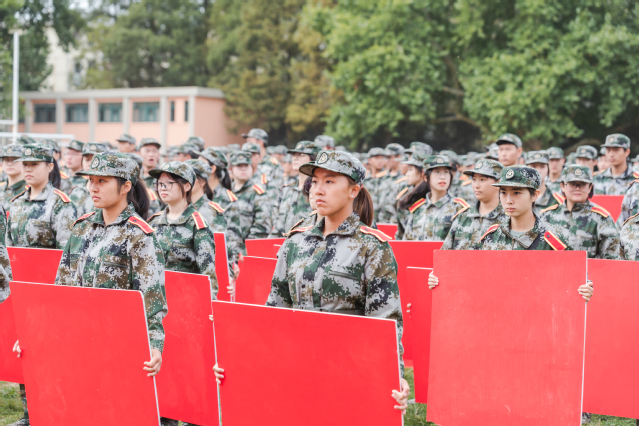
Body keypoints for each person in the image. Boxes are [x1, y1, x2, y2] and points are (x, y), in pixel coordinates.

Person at [213, 149, 410, 415]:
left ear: (354, 190)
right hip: (295, 366)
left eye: (329, 181)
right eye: (315, 181)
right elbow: (275, 310)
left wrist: (394, 374)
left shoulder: (372, 246)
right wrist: (240, 360)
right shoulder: (295, 241)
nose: (318, 189)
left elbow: (386, 321)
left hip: (347, 371)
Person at [46, 151, 170, 425]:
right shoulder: (81, 228)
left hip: (118, 344)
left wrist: (155, 346)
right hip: (78, 338)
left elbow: (151, 298)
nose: (93, 187)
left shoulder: (139, 235)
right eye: (91, 180)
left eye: (102, 181)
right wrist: (43, 330)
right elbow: (61, 287)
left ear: (125, 186)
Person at [147, 162, 218, 300]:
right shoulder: (153, 222)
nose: (162, 188)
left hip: (185, 300)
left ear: (186, 186)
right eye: (160, 184)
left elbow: (208, 275)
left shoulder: (197, 225)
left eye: (169, 183)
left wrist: (209, 304)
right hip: (156, 302)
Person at [541, 165, 622, 259]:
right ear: (563, 186)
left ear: (590, 187)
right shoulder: (547, 216)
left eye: (583, 184)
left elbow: (611, 259)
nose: (577, 188)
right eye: (572, 184)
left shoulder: (601, 218)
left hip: (590, 268)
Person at [7, 144, 77, 249]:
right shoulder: (17, 202)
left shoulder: (60, 204)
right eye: (24, 164)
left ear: (50, 167)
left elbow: (65, 251)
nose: (28, 169)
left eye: (34, 164)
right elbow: (8, 246)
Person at [442, 159, 507, 250]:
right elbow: (445, 254)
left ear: (498, 183)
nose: (476, 185)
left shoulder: (508, 219)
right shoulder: (463, 217)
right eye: (474, 179)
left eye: (482, 180)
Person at [405, 155, 468, 241]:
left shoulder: (459, 209)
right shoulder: (417, 210)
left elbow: (464, 244)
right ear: (426, 177)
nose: (442, 177)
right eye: (437, 172)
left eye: (446, 172)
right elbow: (407, 242)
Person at [269, 141, 320, 238]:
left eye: (301, 155)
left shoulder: (318, 191)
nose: (295, 158)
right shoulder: (286, 190)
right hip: (282, 244)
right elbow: (276, 226)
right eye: (293, 155)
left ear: (313, 158)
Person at [228, 151, 272, 254]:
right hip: (226, 251)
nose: (243, 168)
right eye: (239, 165)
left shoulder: (258, 194)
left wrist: (246, 251)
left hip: (245, 253)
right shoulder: (226, 192)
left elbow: (262, 227)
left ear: (252, 168)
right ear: (231, 169)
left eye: (246, 165)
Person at [69, 143, 110, 217]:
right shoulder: (76, 190)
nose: (90, 164)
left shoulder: (109, 194)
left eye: (95, 160)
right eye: (87, 160)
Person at [394, 151, 428, 240]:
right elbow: (401, 232)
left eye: (410, 170)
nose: (407, 174)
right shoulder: (406, 195)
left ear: (422, 172)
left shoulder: (432, 197)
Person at [0, 144, 26, 211]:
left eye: (14, 159)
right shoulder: (1, 188)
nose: (9, 164)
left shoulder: (30, 190)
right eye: (6, 160)